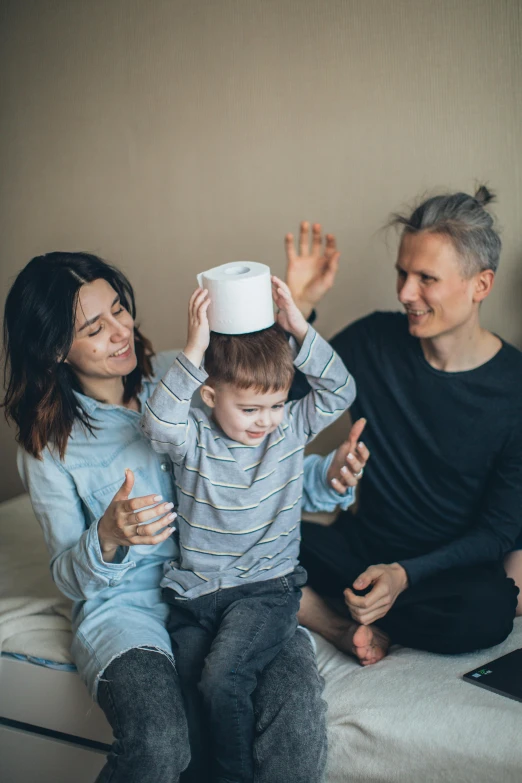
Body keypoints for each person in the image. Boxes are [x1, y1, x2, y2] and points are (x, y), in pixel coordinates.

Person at [3, 251, 365, 783]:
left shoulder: (186, 375)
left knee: (294, 725)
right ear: (57, 348)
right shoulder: (48, 446)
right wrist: (106, 536)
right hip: (129, 610)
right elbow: (68, 576)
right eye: (95, 328)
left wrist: (328, 481)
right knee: (161, 741)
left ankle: (320, 619)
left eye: (120, 310)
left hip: (229, 584)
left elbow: (262, 463)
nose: (121, 331)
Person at [284, 187, 522, 666]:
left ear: (480, 285)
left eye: (425, 278)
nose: (404, 292)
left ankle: (358, 609)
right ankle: (340, 623)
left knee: (490, 611)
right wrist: (299, 311)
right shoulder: (372, 339)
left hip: (441, 569)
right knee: (251, 545)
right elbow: (279, 403)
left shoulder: (515, 387)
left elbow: (500, 530)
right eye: (402, 273)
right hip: (359, 548)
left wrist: (403, 576)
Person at [140, 277, 355, 783]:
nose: (266, 421)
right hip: (196, 597)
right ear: (210, 395)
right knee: (189, 689)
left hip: (265, 590)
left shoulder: (289, 430)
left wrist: (299, 328)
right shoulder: (191, 437)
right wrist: (193, 350)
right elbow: (155, 424)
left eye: (277, 405)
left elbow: (341, 389)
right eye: (250, 409)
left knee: (223, 678)